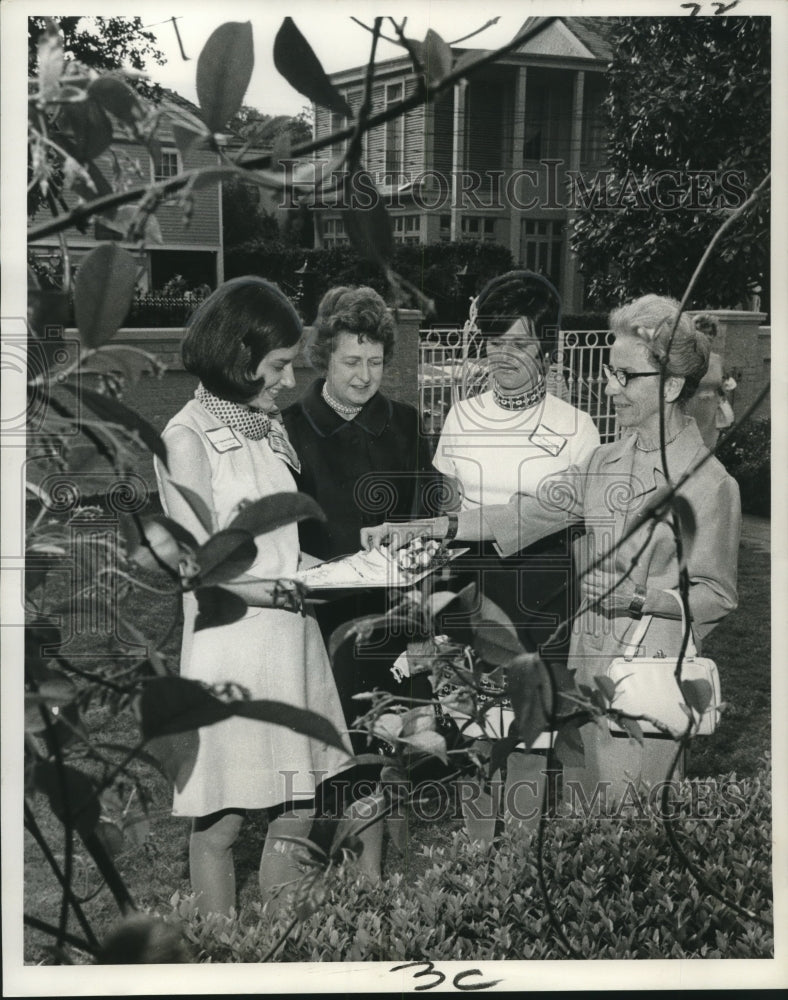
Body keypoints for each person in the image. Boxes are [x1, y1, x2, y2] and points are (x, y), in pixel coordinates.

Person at [364, 294, 741, 808]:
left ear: (671, 386)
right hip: (582, 682)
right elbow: (524, 511)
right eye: (609, 372)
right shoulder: (605, 460)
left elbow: (716, 596)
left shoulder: (707, 483)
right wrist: (432, 526)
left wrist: (638, 598)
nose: (609, 387)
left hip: (646, 689)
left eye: (625, 376)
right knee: (584, 843)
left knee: (630, 834)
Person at [153, 277, 352, 917]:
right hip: (231, 652)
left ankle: (278, 946)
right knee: (223, 821)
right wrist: (288, 587)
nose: (290, 381)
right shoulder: (186, 440)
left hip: (287, 641)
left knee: (299, 803)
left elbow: (275, 545)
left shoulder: (262, 425)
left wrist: (339, 570)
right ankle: (222, 953)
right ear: (238, 359)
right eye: (277, 366)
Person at [431, 271, 600, 839]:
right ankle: (476, 866)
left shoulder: (578, 427)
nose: (503, 356)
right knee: (475, 736)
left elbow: (577, 526)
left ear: (546, 348)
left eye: (519, 343)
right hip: (474, 589)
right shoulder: (460, 417)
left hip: (544, 593)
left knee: (530, 738)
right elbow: (451, 518)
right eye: (494, 342)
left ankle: (518, 872)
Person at [282, 285, 442, 873]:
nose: (364, 375)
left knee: (387, 743)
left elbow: (427, 505)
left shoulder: (402, 422)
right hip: (320, 618)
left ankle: (375, 872)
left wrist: (422, 550)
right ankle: (320, 867)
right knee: (330, 752)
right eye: (352, 361)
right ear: (323, 357)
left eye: (376, 362)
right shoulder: (290, 428)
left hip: (392, 615)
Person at [685, 313, 732, 450]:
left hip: (710, 414)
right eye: (704, 333)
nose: (709, 336)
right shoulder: (685, 360)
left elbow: (721, 386)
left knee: (708, 452)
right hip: (690, 411)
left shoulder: (717, 359)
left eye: (711, 333)